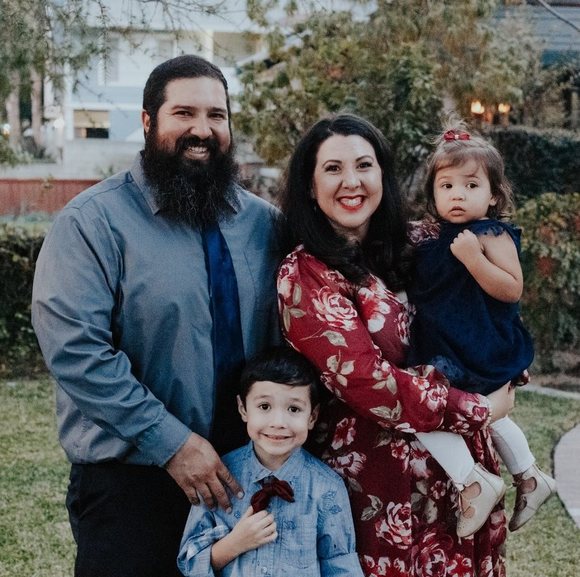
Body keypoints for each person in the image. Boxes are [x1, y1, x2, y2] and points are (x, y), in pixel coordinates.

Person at [31, 55, 281, 577]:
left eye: (216, 115)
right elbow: (76, 350)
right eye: (183, 113)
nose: (202, 130)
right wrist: (171, 443)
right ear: (148, 122)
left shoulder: (266, 225)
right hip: (133, 483)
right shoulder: (92, 223)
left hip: (247, 478)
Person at [276, 113, 516, 577]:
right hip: (378, 486)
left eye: (364, 165)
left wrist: (507, 367)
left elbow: (493, 303)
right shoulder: (306, 274)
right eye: (333, 168)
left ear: (382, 174)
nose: (352, 181)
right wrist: (480, 407)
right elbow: (369, 383)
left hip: (461, 483)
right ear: (309, 185)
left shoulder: (424, 240)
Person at [407, 122, 556, 536]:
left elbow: (512, 288)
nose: (457, 194)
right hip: (445, 342)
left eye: (471, 185)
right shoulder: (436, 238)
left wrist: (475, 260)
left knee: (421, 410)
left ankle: (472, 482)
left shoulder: (490, 233)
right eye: (447, 185)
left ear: (493, 195)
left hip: (477, 342)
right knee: (475, 412)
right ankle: (529, 476)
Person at [177, 346, 364, 577]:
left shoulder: (327, 488)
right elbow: (189, 562)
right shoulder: (217, 476)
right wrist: (234, 544)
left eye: (294, 409)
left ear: (312, 416)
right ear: (243, 409)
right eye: (264, 407)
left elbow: (341, 567)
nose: (278, 422)